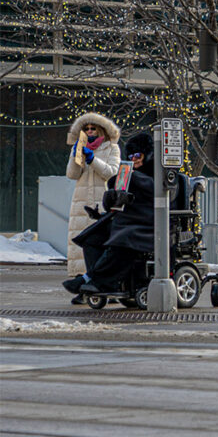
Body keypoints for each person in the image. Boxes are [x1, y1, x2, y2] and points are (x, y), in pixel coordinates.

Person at [63, 132, 157, 296]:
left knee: (122, 238)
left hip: (147, 225)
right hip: (125, 220)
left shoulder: (156, 173)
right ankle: (94, 280)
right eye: (131, 155)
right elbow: (113, 200)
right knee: (92, 238)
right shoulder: (130, 174)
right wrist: (111, 196)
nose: (134, 159)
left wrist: (131, 178)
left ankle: (95, 280)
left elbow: (152, 189)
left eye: (138, 155)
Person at [63, 113, 121, 302]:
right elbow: (72, 174)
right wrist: (75, 157)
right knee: (80, 246)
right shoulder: (80, 146)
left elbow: (111, 173)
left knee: (101, 244)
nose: (89, 132)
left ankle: (104, 284)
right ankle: (83, 286)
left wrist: (92, 160)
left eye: (93, 128)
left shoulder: (112, 148)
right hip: (81, 201)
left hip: (102, 200)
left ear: (101, 129)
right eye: (86, 129)